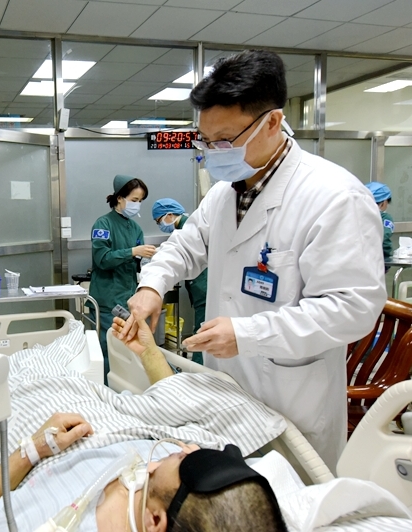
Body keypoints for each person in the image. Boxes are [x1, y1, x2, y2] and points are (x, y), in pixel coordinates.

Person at [122, 50, 386, 471]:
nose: (213, 153)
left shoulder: (335, 197)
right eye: (205, 141)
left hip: (292, 402)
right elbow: (186, 244)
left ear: (273, 122)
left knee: (288, 495)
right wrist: (152, 286)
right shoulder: (225, 192)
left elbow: (352, 309)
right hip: (226, 396)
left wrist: (249, 334)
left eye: (225, 141)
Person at [0, 315, 287, 532]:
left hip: (33, 413)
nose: (187, 449)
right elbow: (175, 399)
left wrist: (33, 449)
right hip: (94, 399)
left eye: (182, 459)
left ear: (154, 520)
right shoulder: (206, 494)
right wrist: (148, 352)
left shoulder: (37, 520)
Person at [89, 174, 155, 382]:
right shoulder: (103, 225)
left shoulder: (135, 229)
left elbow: (138, 264)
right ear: (119, 198)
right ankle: (105, 391)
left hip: (129, 298)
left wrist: (148, 261)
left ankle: (125, 390)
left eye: (140, 201)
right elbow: (102, 259)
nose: (137, 205)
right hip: (107, 299)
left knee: (128, 351)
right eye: (134, 200)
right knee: (108, 349)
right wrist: (132, 251)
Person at [152, 198, 208, 365]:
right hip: (201, 289)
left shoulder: (188, 229)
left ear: (169, 215)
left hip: (204, 290)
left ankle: (198, 371)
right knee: (202, 330)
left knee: (202, 333)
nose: (160, 225)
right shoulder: (184, 228)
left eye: (159, 220)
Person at [365, 182, 394, 266]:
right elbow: (384, 237)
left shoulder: (357, 214)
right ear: (384, 202)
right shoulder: (385, 218)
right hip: (378, 261)